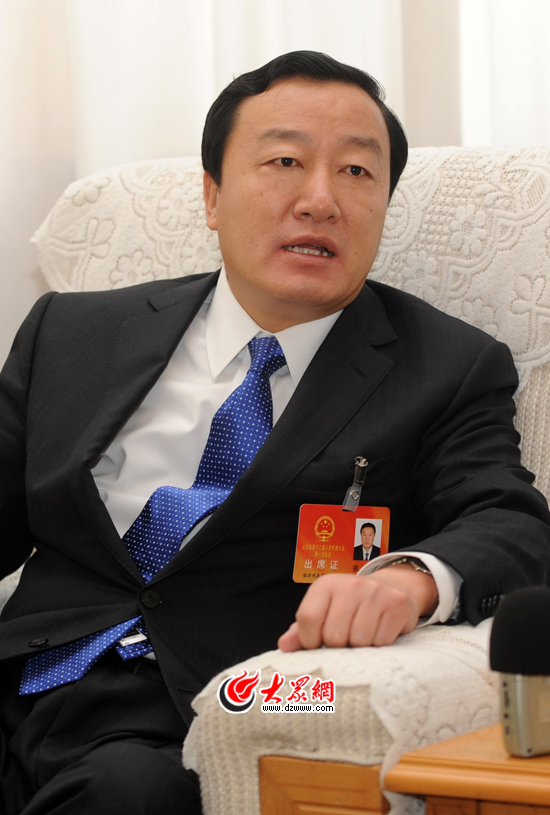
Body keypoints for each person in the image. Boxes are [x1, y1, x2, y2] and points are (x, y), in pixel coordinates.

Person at [0, 49, 549, 815]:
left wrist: (410, 579)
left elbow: (510, 521)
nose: (320, 200)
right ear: (213, 195)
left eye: (357, 172)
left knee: (130, 793)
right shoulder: (73, 330)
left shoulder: (445, 367)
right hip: (23, 678)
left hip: (204, 713)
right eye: (286, 161)